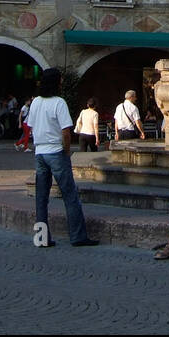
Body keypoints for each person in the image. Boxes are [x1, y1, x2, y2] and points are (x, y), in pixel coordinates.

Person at [25, 69, 99, 247]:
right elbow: (66, 131)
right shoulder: (59, 102)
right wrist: (66, 150)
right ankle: (78, 236)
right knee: (70, 195)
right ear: (56, 83)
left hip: (40, 152)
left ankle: (41, 238)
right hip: (56, 152)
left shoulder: (35, 102)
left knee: (41, 198)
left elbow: (30, 126)